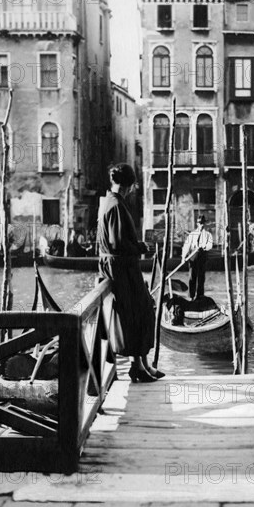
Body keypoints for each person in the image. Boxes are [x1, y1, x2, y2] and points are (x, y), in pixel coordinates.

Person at [97, 163, 164, 382]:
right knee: (138, 313)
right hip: (121, 268)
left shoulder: (109, 202)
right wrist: (141, 247)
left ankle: (142, 364)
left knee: (143, 310)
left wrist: (136, 246)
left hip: (121, 266)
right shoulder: (116, 205)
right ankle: (138, 366)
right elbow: (117, 243)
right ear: (131, 185)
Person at [181, 214, 213, 301]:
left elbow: (210, 245)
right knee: (192, 277)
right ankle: (191, 296)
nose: (201, 225)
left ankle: (200, 296)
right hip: (192, 258)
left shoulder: (208, 235)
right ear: (197, 224)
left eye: (203, 223)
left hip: (202, 258)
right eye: (200, 223)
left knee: (201, 277)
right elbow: (186, 246)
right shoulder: (192, 234)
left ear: (205, 224)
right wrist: (183, 257)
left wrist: (204, 246)